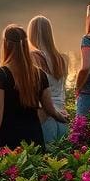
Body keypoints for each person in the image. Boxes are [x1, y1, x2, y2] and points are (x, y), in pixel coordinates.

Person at [0, 24, 67, 150]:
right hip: (33, 138)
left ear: (5, 44)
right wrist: (61, 117)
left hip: (8, 139)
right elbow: (49, 108)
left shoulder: (1, 74)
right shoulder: (39, 74)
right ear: (26, 45)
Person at [27, 15, 69, 143]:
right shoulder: (63, 59)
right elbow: (62, 89)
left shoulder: (31, 58)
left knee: (45, 160)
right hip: (62, 115)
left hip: (43, 116)